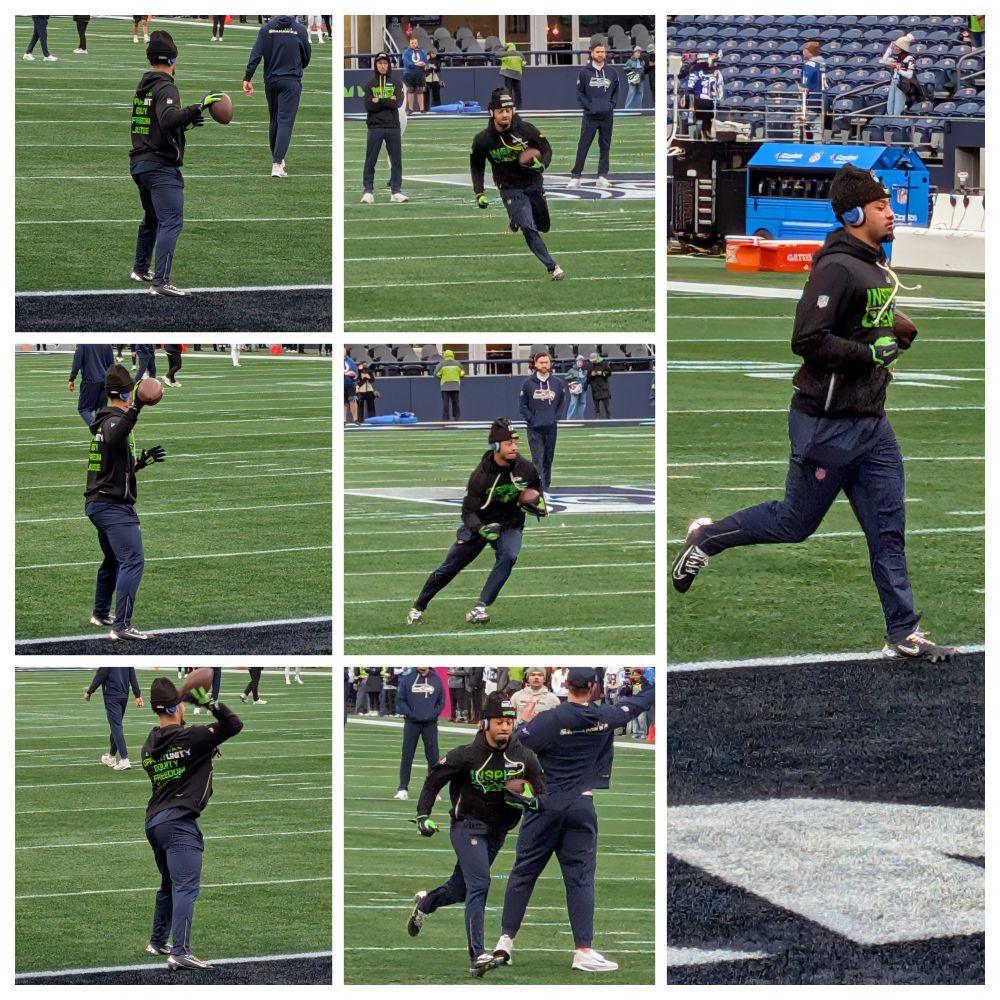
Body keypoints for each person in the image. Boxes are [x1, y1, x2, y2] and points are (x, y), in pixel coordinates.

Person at [671, 165, 959, 663]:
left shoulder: (871, 263)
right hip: (826, 421)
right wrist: (870, 354)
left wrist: (897, 329)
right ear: (853, 214)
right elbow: (807, 339)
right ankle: (707, 538)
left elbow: (869, 318)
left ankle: (903, 630)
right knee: (794, 522)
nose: (891, 214)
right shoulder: (837, 267)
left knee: (888, 531)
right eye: (881, 207)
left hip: (872, 422)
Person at [492, 667, 656, 973]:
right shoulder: (605, 716)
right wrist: (653, 684)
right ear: (594, 687)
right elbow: (637, 705)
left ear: (565, 685)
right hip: (581, 804)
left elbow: (511, 748)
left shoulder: (551, 719)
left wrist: (523, 724)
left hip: (546, 805)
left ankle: (505, 943)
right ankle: (583, 950)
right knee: (580, 878)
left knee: (523, 874)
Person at [406, 692, 546, 977]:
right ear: (484, 723)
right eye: (499, 722)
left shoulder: (523, 756)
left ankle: (425, 904)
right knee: (480, 883)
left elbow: (543, 794)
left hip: (498, 832)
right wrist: (423, 816)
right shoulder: (465, 755)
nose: (505, 727)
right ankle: (478, 954)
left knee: (460, 889)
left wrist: (530, 801)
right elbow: (433, 782)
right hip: (467, 826)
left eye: (509, 721)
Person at [142, 675, 243, 970]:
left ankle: (157, 941)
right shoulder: (192, 738)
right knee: (186, 886)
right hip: (178, 822)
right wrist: (209, 702)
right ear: (175, 709)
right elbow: (234, 725)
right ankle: (180, 951)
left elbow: (177, 747)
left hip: (154, 822)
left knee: (169, 884)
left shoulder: (148, 746)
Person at [406, 418, 547, 627]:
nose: (514, 447)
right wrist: (481, 528)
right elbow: (468, 511)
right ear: (495, 446)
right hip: (480, 523)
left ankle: (480, 608)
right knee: (449, 567)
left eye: (516, 442)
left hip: (510, 522)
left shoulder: (525, 468)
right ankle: (418, 607)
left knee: (509, 555)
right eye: (509, 443)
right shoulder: (480, 476)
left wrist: (538, 504)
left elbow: (536, 488)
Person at [130, 31, 223, 297]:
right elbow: (169, 117)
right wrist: (198, 108)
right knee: (171, 221)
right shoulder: (167, 86)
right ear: (172, 59)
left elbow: (159, 122)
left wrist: (186, 120)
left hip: (140, 162)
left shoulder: (145, 84)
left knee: (152, 218)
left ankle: (139, 269)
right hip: (159, 167)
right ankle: (160, 282)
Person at [85, 364, 165, 640]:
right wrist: (138, 408)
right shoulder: (113, 421)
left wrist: (140, 463)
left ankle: (100, 613)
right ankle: (121, 626)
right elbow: (115, 434)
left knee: (114, 559)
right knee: (133, 560)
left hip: (100, 502)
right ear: (126, 393)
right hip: (112, 506)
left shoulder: (107, 419)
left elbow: (115, 463)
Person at [471, 89, 564, 281]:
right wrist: (479, 192)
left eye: (508, 110)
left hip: (532, 182)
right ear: (492, 113)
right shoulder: (483, 140)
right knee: (528, 227)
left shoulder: (526, 129)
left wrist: (542, 164)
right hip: (509, 187)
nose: (505, 115)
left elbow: (546, 148)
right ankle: (552, 267)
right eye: (500, 111)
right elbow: (477, 167)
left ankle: (515, 219)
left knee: (543, 225)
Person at [243, 15, 312, 178]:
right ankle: (277, 163)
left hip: (271, 80)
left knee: (274, 120)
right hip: (290, 80)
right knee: (285, 122)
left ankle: (277, 158)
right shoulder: (299, 30)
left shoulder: (267, 28)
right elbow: (307, 56)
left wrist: (248, 77)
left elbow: (255, 54)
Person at [567, 43, 619, 189]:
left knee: (605, 146)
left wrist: (611, 105)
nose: (600, 54)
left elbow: (615, 91)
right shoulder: (584, 72)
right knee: (583, 146)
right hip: (590, 116)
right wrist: (589, 106)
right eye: (597, 52)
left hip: (607, 116)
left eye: (602, 51)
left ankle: (602, 175)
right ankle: (576, 176)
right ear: (592, 53)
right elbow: (580, 93)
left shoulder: (612, 72)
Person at [361, 53, 407, 204]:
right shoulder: (369, 84)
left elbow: (397, 103)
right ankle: (368, 191)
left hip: (393, 126)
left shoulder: (396, 83)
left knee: (396, 160)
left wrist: (379, 100)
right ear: (376, 65)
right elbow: (369, 106)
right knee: (370, 160)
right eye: (380, 63)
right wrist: (387, 100)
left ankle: (396, 191)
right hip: (375, 126)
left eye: (385, 63)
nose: (382, 66)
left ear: (389, 65)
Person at [518, 351, 567, 494]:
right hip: (534, 428)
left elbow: (562, 402)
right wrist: (532, 419)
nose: (544, 365)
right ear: (535, 364)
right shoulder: (528, 383)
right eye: (541, 362)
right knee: (537, 459)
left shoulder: (557, 383)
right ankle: (536, 487)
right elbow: (522, 406)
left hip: (551, 427)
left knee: (548, 459)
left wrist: (555, 417)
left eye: (546, 362)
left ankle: (546, 487)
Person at [394, 667, 445, 800]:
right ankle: (402, 788)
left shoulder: (436, 680)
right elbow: (400, 699)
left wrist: (432, 714)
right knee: (407, 755)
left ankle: (433, 791)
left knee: (433, 757)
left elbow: (441, 701)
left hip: (430, 724)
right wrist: (411, 714)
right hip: (411, 723)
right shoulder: (408, 679)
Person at [84, 667, 144, 771]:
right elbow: (132, 677)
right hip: (124, 696)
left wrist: (89, 692)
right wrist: (137, 695)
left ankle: (124, 759)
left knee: (116, 726)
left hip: (112, 696)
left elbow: (100, 675)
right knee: (116, 725)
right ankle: (111, 757)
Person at [68, 344, 114, 425]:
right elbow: (111, 364)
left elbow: (77, 360)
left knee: (83, 409)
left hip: (90, 380)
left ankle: (97, 429)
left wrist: (72, 378)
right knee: (101, 411)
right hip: (105, 381)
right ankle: (102, 433)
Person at [685, 52, 723, 139]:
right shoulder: (712, 72)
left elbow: (690, 90)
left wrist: (692, 105)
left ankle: (704, 137)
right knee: (703, 120)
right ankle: (702, 136)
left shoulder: (696, 73)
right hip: (705, 100)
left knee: (703, 120)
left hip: (705, 100)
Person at [880, 34, 915, 117]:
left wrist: (898, 70)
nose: (895, 47)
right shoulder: (896, 57)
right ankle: (889, 121)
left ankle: (896, 121)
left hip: (902, 83)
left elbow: (909, 75)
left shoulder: (909, 58)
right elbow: (883, 61)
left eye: (896, 46)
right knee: (890, 104)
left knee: (898, 107)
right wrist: (889, 49)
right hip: (894, 81)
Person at [799, 40, 826, 141]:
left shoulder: (809, 65)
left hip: (812, 100)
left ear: (810, 52)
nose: (803, 53)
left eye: (805, 50)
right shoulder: (823, 64)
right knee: (818, 127)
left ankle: (800, 146)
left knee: (799, 124)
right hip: (823, 98)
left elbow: (806, 85)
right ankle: (818, 148)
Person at [434, 349, 465, 421]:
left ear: (444, 355)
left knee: (445, 404)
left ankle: (445, 419)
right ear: (452, 355)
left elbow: (436, 373)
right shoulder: (458, 363)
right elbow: (462, 373)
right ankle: (456, 418)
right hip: (455, 386)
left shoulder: (441, 364)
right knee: (456, 403)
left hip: (445, 387)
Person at [402, 36, 428, 114]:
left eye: (415, 43)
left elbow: (426, 61)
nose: (414, 44)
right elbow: (406, 62)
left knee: (420, 91)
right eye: (412, 43)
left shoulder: (422, 52)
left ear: (417, 43)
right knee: (410, 91)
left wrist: (424, 64)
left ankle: (422, 109)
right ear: (410, 43)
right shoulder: (406, 52)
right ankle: (410, 109)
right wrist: (415, 64)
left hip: (420, 74)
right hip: (410, 74)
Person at [565, 355, 591, 419]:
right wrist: (573, 379)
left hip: (583, 388)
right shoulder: (572, 370)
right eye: (579, 361)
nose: (580, 363)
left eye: (581, 361)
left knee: (582, 403)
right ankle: (570, 419)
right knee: (573, 403)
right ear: (576, 362)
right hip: (575, 387)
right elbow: (566, 377)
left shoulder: (585, 370)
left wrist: (586, 383)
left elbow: (587, 378)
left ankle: (580, 418)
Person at [499, 42, 525, 108]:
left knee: (508, 91)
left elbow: (497, 54)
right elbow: (524, 63)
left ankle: (509, 106)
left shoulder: (505, 54)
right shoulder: (520, 54)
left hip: (507, 74)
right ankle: (519, 107)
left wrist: (504, 48)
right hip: (517, 75)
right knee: (518, 92)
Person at [588, 353, 613, 418]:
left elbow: (609, 373)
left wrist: (602, 373)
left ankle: (609, 419)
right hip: (595, 389)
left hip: (604, 388)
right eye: (592, 360)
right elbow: (587, 378)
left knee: (607, 407)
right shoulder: (590, 366)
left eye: (594, 360)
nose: (593, 361)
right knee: (596, 409)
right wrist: (591, 375)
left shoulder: (604, 363)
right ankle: (597, 420)